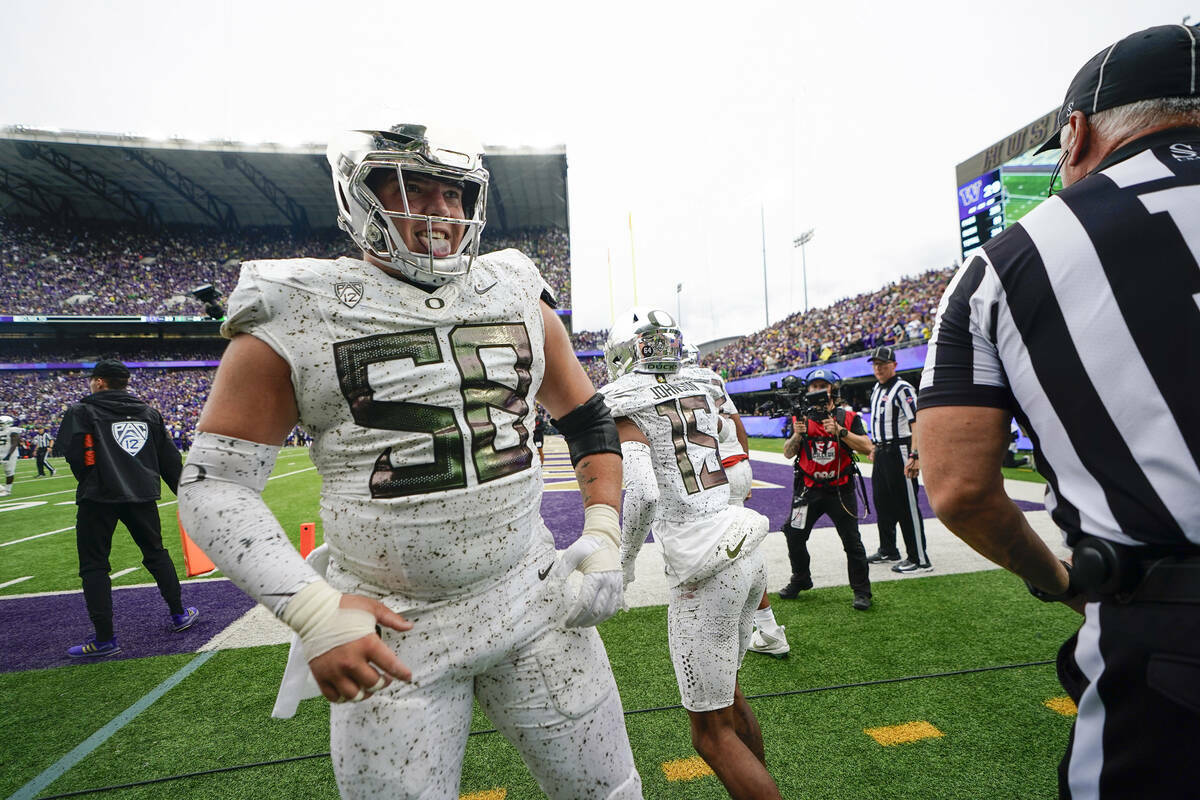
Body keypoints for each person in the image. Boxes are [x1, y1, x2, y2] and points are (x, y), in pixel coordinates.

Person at [177, 124, 642, 799]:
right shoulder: (298, 305)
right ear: (358, 197)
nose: (441, 211)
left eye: (453, 193)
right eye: (411, 188)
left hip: (532, 595)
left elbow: (586, 415)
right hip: (396, 627)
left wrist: (601, 535)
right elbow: (216, 483)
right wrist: (312, 610)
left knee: (613, 793)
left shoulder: (514, 288)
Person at [917, 24, 1200, 798]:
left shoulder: (1011, 261)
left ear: (1075, 131)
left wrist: (1059, 579)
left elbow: (959, 486)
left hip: (1171, 639)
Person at [602, 307, 782, 800]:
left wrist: (624, 564)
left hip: (705, 564)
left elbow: (642, 496)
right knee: (729, 698)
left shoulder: (626, 399)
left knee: (710, 733)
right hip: (743, 546)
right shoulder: (702, 383)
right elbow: (736, 459)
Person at [57, 359, 198, 658]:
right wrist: (186, 496)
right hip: (141, 495)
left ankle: (105, 639)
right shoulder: (149, 413)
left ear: (99, 382)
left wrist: (92, 477)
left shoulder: (81, 411)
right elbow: (171, 463)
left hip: (98, 497)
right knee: (156, 553)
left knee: (94, 565)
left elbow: (74, 454)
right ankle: (179, 613)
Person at [778, 368, 875, 610]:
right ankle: (801, 578)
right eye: (813, 386)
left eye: (823, 385)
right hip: (808, 489)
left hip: (840, 489)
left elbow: (866, 447)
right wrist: (797, 436)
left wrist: (840, 432)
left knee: (852, 542)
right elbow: (788, 453)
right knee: (794, 533)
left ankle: (862, 591)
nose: (818, 390)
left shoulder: (849, 418)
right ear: (807, 390)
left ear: (833, 390)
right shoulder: (800, 419)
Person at [865, 346, 931, 573]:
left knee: (906, 505)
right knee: (882, 502)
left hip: (900, 451)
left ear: (894, 365)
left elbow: (917, 422)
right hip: (882, 452)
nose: (878, 368)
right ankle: (888, 549)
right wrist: (875, 446)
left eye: (883, 364)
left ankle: (919, 558)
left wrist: (915, 455)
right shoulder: (876, 388)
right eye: (875, 364)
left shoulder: (903, 388)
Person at [0, 414, 20, 496]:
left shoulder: (13, 430)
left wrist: (8, 455)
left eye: (1, 423)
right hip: (0, 453)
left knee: (9, 472)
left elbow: (14, 443)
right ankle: (1, 489)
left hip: (10, 454)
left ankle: (7, 490)